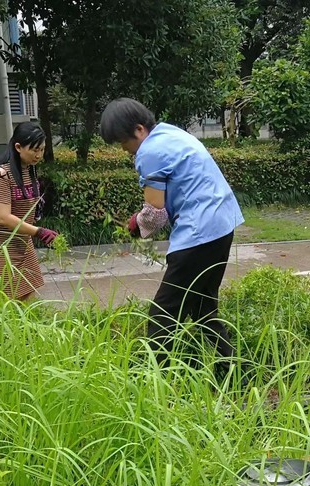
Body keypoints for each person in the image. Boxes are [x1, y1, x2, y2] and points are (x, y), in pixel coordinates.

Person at [100, 98, 244, 372]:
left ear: (139, 130)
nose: (125, 150)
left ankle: (153, 382)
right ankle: (234, 372)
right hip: (223, 224)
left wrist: (135, 224)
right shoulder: (170, 132)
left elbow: (155, 214)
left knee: (163, 311)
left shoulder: (149, 152)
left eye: (122, 142)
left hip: (199, 232)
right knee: (202, 308)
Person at [0, 122, 59, 301]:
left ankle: (27, 327)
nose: (39, 155)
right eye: (34, 150)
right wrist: (40, 232)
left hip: (20, 237)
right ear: (18, 147)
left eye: (42, 149)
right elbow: (3, 217)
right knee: (3, 298)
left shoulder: (28, 170)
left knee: (28, 290)